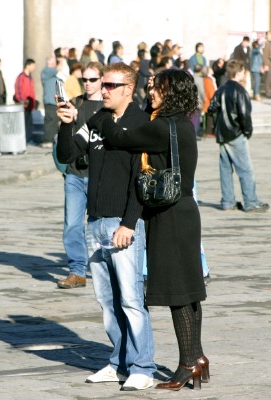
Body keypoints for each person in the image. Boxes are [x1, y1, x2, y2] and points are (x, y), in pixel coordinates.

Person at [88, 68, 208, 391]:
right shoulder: (182, 123)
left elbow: (119, 137)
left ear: (171, 93)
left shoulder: (161, 126)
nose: (151, 91)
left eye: (157, 88)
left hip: (169, 217)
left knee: (178, 295)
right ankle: (197, 359)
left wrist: (99, 116)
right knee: (190, 293)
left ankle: (186, 365)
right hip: (184, 213)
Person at [56, 62, 155, 391]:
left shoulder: (140, 124)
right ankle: (119, 362)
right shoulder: (97, 120)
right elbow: (69, 152)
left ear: (128, 88)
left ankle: (143, 366)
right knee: (108, 302)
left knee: (130, 300)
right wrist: (66, 125)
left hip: (122, 224)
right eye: (104, 84)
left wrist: (129, 222)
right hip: (95, 222)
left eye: (111, 85)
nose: (104, 90)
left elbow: (142, 179)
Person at [55, 62, 104, 290]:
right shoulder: (77, 102)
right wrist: (65, 118)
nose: (88, 83)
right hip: (75, 173)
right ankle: (76, 271)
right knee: (72, 225)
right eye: (84, 79)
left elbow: (99, 132)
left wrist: (78, 117)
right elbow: (66, 137)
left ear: (102, 80)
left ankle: (103, 269)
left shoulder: (107, 105)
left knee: (99, 226)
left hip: (99, 174)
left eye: (93, 79)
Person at [208, 59, 269, 213]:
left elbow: (211, 108)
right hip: (235, 133)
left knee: (225, 168)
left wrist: (217, 127)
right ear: (240, 72)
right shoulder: (240, 91)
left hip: (223, 134)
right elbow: (244, 114)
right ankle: (250, 201)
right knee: (245, 169)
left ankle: (228, 201)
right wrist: (247, 131)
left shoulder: (220, 89)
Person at [13, 58, 38, 145]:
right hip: (23, 105)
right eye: (33, 65)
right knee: (23, 123)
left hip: (30, 105)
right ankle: (22, 140)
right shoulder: (21, 77)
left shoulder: (30, 77)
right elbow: (18, 90)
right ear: (28, 65)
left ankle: (29, 139)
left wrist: (33, 102)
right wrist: (22, 101)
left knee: (29, 123)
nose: (34, 67)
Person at [41, 56, 60, 146]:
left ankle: (52, 139)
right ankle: (47, 140)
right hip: (49, 101)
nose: (55, 64)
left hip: (54, 101)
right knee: (50, 121)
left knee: (54, 121)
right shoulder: (46, 71)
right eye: (53, 62)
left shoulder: (52, 74)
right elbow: (58, 69)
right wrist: (61, 61)